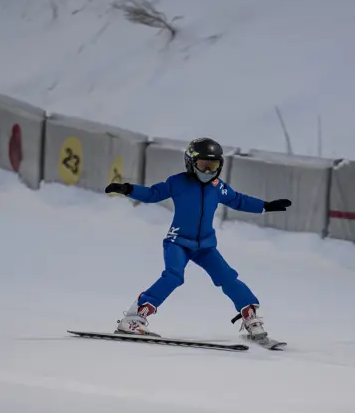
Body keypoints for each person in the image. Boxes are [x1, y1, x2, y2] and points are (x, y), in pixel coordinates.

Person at [104, 137, 292, 341]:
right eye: (204, 165)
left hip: (205, 246)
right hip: (178, 242)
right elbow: (152, 194)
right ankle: (133, 319)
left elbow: (238, 200)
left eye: (214, 166)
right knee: (173, 276)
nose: (209, 171)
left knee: (228, 277)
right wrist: (128, 189)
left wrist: (266, 205)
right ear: (191, 163)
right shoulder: (177, 182)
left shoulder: (217, 186)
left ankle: (251, 318)